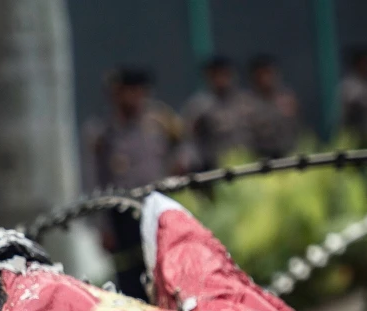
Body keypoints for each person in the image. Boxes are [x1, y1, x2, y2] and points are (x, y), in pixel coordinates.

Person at [82, 68, 182, 297]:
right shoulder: (103, 132)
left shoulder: (159, 123)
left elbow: (183, 149)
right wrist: (103, 227)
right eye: (128, 92)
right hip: (123, 216)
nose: (135, 98)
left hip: (157, 208)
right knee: (130, 278)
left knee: (165, 272)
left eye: (139, 92)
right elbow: (95, 180)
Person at [181, 56, 253, 170]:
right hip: (215, 168)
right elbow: (189, 140)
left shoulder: (246, 102)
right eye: (215, 75)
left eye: (224, 74)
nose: (220, 79)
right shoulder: (199, 106)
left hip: (247, 164)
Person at [245, 55, 302, 158]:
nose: (265, 78)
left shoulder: (287, 98)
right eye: (261, 74)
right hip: (260, 159)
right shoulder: (247, 103)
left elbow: (297, 128)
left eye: (268, 73)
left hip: (289, 154)